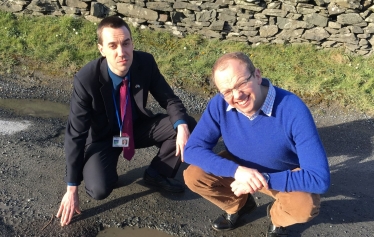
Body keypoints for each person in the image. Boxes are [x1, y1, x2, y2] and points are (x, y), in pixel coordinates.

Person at [56, 16, 196, 226]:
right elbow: (75, 134)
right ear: (101, 49)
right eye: (112, 45)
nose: (122, 52)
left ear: (132, 42)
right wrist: (71, 187)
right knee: (99, 189)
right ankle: (105, 172)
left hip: (135, 129)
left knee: (186, 124)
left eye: (126, 43)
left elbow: (169, 99)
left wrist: (182, 126)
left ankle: (157, 173)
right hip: (104, 139)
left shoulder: (145, 62)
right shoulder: (86, 80)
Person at [183, 52, 330, 237]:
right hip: (241, 170)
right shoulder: (219, 105)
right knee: (194, 176)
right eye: (227, 91)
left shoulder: (293, 109)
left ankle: (277, 219)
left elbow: (319, 179)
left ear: (258, 76)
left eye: (242, 83)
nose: (237, 95)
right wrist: (236, 171)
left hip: (282, 174)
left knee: (304, 207)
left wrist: (264, 180)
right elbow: (191, 150)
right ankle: (240, 206)